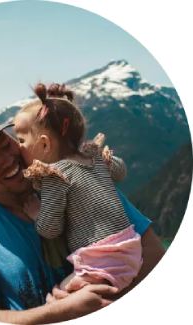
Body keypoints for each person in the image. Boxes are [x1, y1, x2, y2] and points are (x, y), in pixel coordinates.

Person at [0, 109, 166, 322]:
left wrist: (102, 301)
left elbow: (154, 253)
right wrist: (64, 311)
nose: (6, 159)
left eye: (5, 144)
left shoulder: (77, 175)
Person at [13, 82, 142, 294]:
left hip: (100, 259)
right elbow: (120, 172)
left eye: (21, 140)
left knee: (60, 298)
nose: (18, 147)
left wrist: (37, 214)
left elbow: (51, 229)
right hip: (130, 247)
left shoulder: (56, 175)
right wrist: (105, 159)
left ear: (45, 144)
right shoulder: (94, 158)